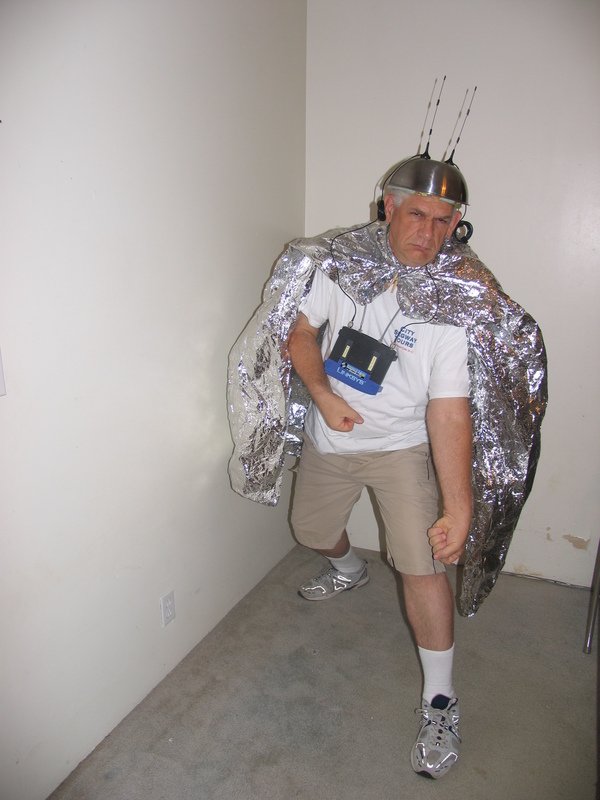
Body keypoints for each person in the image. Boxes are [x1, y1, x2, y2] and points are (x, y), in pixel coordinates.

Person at [285, 158, 471, 779]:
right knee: (310, 531)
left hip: (401, 448)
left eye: (444, 221)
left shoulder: (453, 304)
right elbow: (302, 333)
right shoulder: (345, 267)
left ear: (458, 225)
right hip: (331, 436)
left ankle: (439, 701)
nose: (429, 232)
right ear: (387, 208)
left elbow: (448, 414)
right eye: (416, 214)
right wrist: (324, 395)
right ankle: (347, 569)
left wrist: (458, 504)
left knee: (421, 565)